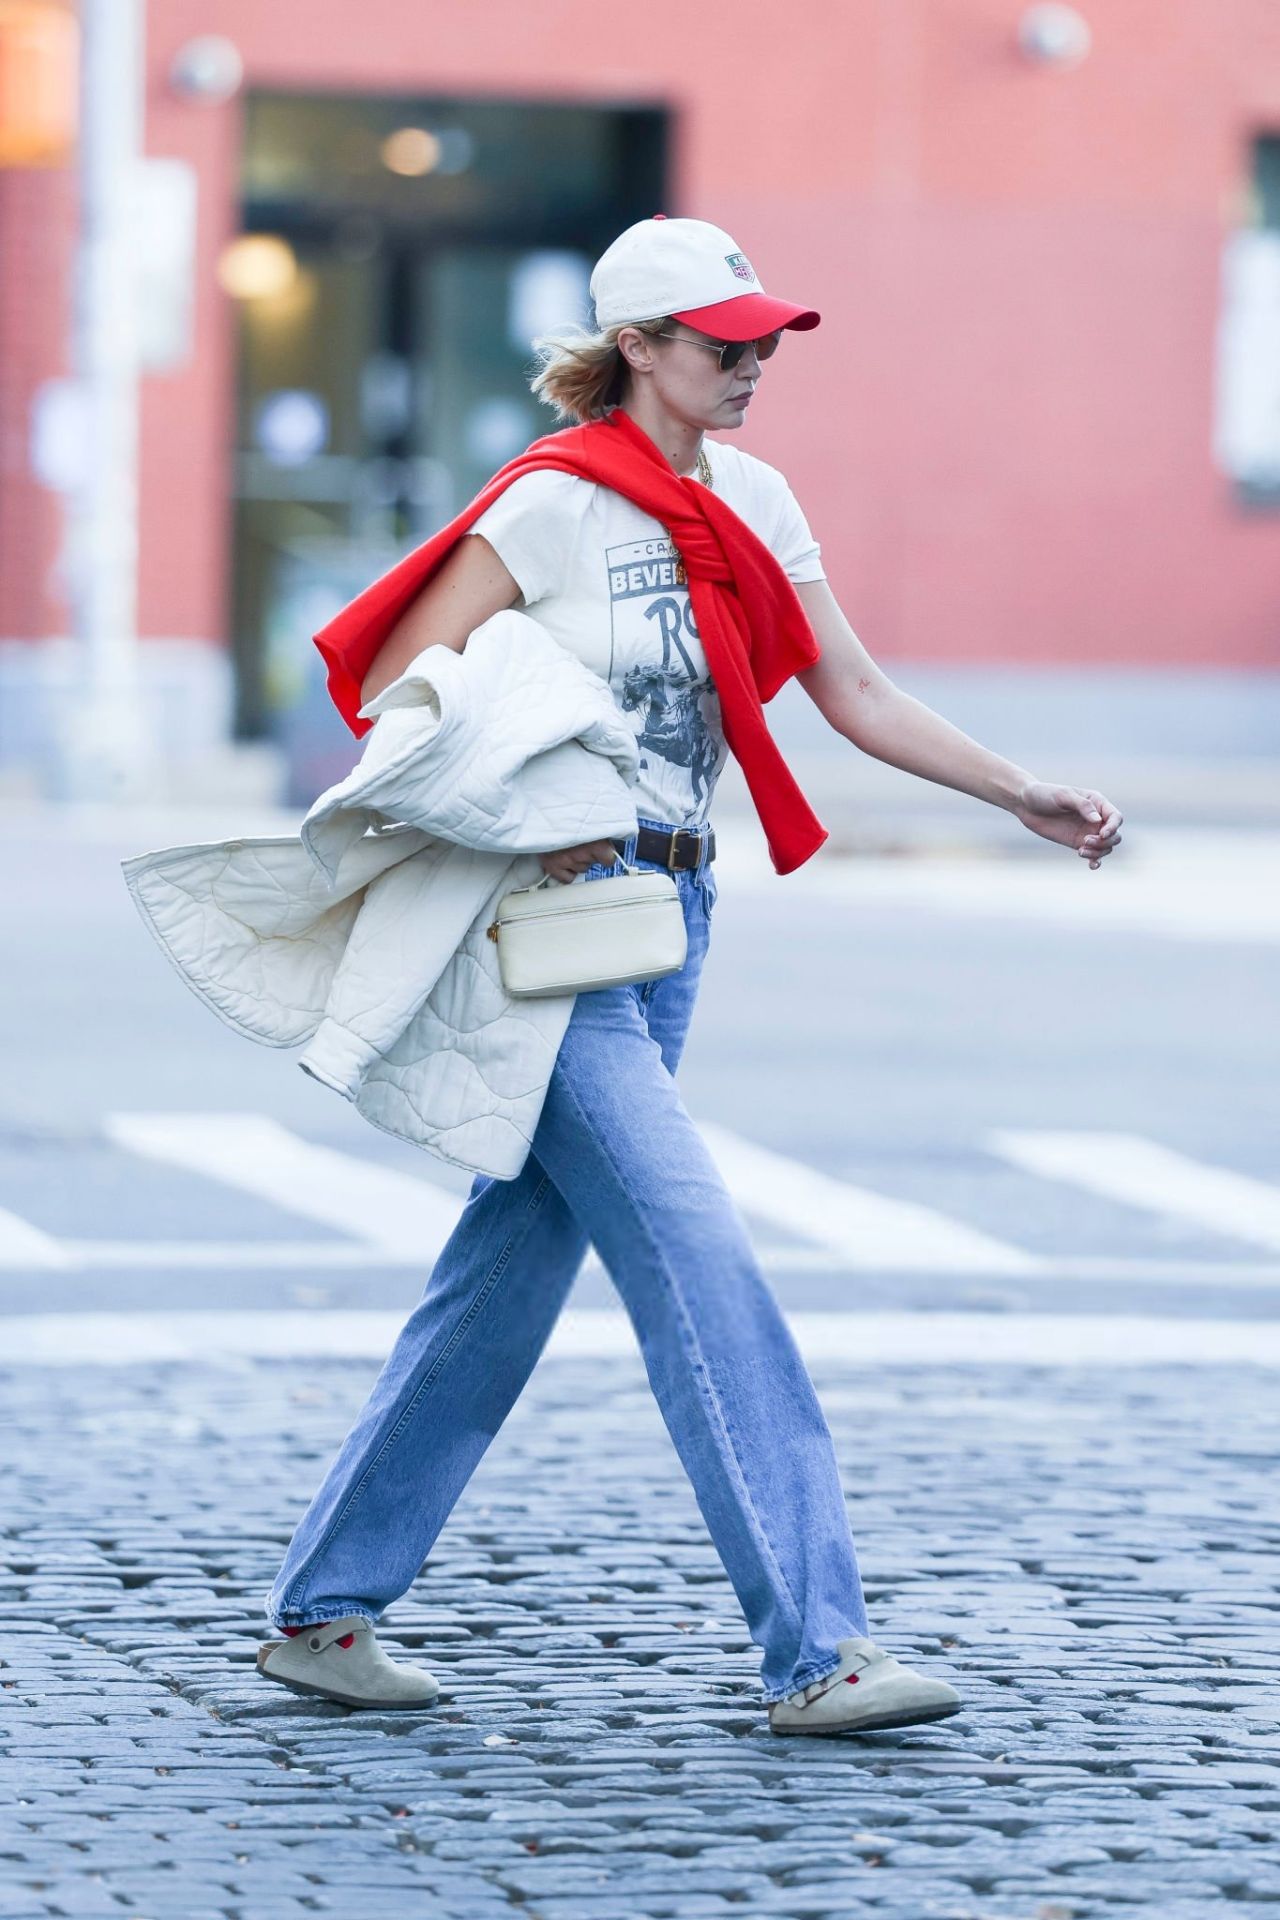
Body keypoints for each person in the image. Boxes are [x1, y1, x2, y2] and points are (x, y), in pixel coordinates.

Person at [256, 216, 1122, 1736]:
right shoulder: (549, 506)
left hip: (671, 925)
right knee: (698, 1261)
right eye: (724, 346)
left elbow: (846, 686)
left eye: (765, 344)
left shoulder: (757, 498)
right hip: (553, 926)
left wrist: (1018, 791)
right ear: (638, 349)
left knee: (501, 1279)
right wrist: (542, 802)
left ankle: (326, 1614)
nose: (753, 369)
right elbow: (407, 698)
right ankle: (819, 1651)